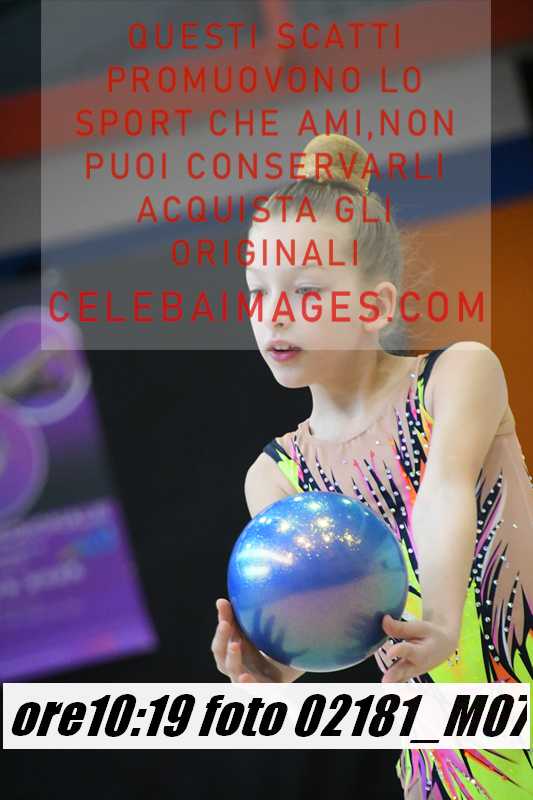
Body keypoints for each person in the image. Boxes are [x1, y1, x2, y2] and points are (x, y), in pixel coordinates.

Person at [211, 134, 533, 798]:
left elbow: (442, 492)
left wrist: (441, 620)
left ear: (375, 306)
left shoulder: (455, 376)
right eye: (256, 292)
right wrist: (272, 665)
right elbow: (332, 625)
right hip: (451, 769)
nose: (274, 314)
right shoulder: (276, 475)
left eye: (305, 290)